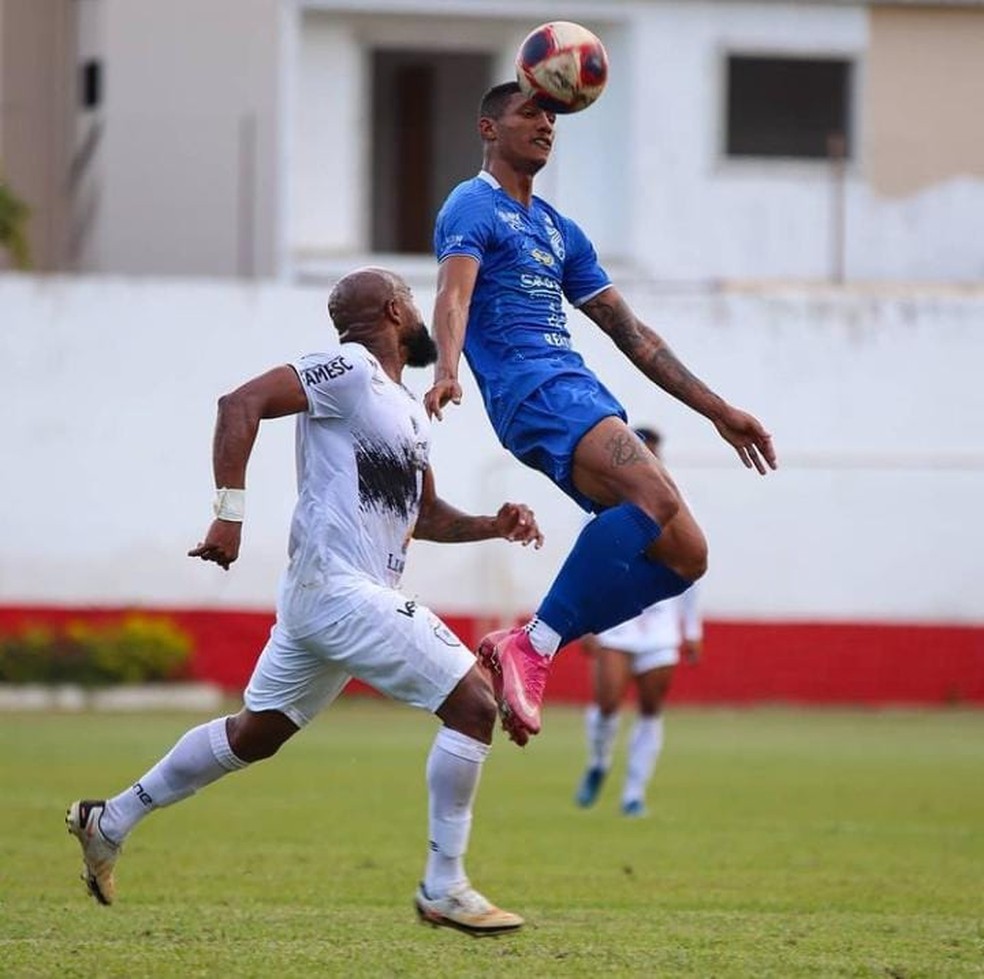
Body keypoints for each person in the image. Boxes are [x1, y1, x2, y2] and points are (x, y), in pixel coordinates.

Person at [65, 267, 544, 937]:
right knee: (472, 701)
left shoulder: (403, 406)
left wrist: (492, 523)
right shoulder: (346, 367)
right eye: (408, 298)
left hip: (324, 599)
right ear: (391, 310)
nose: (416, 309)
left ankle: (108, 819)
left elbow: (425, 513)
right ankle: (444, 885)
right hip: (340, 589)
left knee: (254, 734)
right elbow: (239, 403)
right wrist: (228, 514)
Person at [424, 81, 776, 748]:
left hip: (577, 390)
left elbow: (634, 335)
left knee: (685, 556)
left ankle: (529, 641)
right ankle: (535, 646)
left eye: (553, 115)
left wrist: (718, 410)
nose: (546, 124)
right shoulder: (472, 205)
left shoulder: (560, 230)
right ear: (487, 128)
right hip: (534, 393)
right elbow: (452, 296)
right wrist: (446, 368)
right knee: (654, 492)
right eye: (530, 112)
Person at [574, 427, 702, 817]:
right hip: (617, 623)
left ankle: (634, 793)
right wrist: (585, 622)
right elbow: (587, 568)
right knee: (608, 702)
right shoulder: (606, 507)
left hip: (661, 626)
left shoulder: (678, 508)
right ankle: (598, 762)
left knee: (650, 708)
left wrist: (691, 629)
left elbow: (693, 568)